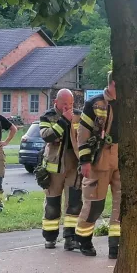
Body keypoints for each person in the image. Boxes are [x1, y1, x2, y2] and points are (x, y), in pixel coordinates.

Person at [76, 72, 121, 259]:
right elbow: (83, 133)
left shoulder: (129, 103)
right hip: (99, 157)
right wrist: (85, 161)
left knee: (122, 205)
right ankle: (84, 240)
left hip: (122, 156)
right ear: (113, 83)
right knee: (95, 203)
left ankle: (115, 246)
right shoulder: (95, 103)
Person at [37, 88, 85, 251]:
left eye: (71, 103)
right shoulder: (47, 117)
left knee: (74, 202)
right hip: (54, 167)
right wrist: (64, 120)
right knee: (52, 204)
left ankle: (70, 238)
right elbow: (47, 136)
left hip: (74, 164)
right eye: (64, 104)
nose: (68, 107)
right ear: (55, 102)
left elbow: (84, 136)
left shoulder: (79, 115)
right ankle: (50, 237)